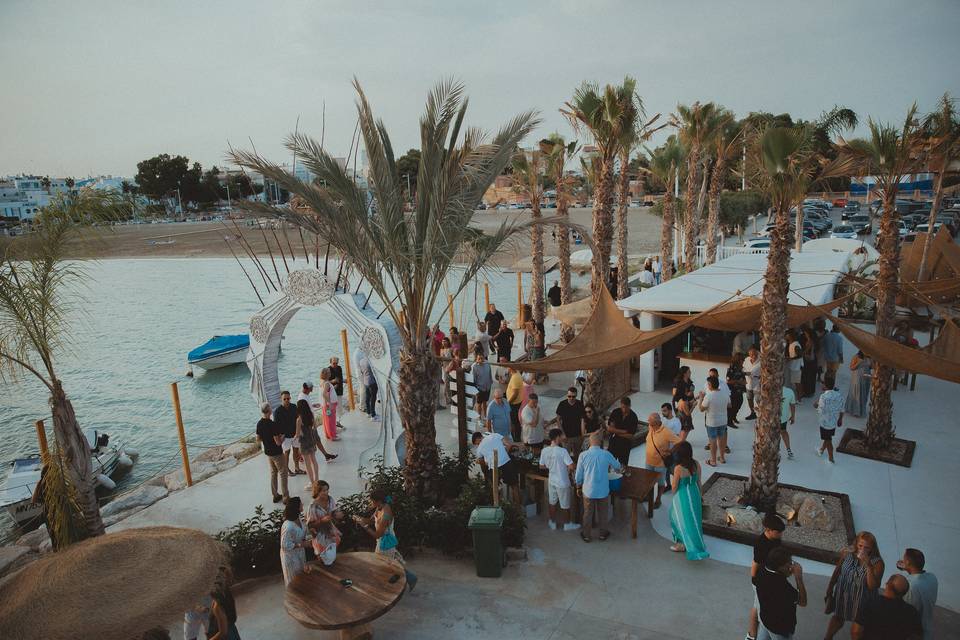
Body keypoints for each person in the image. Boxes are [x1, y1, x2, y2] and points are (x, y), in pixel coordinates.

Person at [824, 531, 886, 639]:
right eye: (860, 545)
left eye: (866, 547)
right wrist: (830, 587)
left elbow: (873, 586)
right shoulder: (847, 554)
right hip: (844, 592)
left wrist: (868, 566)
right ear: (856, 543)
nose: (862, 549)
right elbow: (837, 571)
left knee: (857, 631)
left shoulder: (877, 563)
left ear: (872, 548)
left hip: (863, 599)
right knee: (838, 617)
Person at [354, 489, 418, 592]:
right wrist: (360, 519)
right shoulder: (379, 507)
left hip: (385, 543)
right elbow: (371, 521)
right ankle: (410, 578)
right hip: (383, 541)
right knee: (390, 564)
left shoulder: (385, 514)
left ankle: (385, 588)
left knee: (382, 566)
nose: (370, 503)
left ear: (378, 501)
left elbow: (377, 535)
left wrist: (364, 526)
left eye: (371, 501)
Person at [575, 431, 623, 543]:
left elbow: (578, 475)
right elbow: (617, 466)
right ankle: (603, 534)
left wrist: (578, 486)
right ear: (600, 442)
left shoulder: (583, 455)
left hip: (588, 490)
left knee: (587, 513)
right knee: (603, 513)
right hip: (603, 490)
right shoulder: (606, 454)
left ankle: (586, 535)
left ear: (589, 443)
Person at [747, 513, 786, 640]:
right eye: (778, 532)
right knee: (757, 607)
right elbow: (755, 563)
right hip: (761, 580)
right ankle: (751, 635)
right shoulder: (760, 544)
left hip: (772, 578)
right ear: (768, 530)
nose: (780, 534)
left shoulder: (776, 540)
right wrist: (754, 581)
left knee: (763, 607)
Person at [668, 441, 709, 560]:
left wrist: (674, 495)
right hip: (694, 493)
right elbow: (699, 482)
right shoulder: (696, 464)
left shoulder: (678, 468)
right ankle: (696, 543)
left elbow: (674, 487)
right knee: (694, 521)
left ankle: (681, 544)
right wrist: (700, 496)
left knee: (677, 518)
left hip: (683, 496)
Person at [755, 547, 807, 640]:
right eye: (789, 563)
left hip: (765, 620)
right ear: (780, 566)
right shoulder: (782, 587)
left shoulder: (762, 570)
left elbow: (780, 575)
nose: (791, 565)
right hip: (780, 628)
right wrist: (798, 577)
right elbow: (803, 602)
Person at [851, 574, 922, 640]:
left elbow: (856, 632)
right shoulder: (911, 611)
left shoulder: (870, 603)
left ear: (887, 585)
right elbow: (917, 637)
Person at [539, 428, 578, 531]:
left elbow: (541, 466)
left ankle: (552, 522)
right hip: (562, 481)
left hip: (551, 480)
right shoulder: (562, 451)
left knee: (552, 502)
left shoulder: (545, 450)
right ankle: (567, 524)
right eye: (561, 436)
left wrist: (551, 466)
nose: (562, 438)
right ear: (557, 437)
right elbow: (571, 466)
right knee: (565, 505)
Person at [472, 430, 521, 505]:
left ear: (478, 439)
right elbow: (508, 445)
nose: (478, 445)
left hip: (494, 467)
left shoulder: (479, 449)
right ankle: (518, 509)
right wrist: (505, 454)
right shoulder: (495, 435)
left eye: (477, 443)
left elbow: (482, 461)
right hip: (506, 462)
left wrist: (481, 462)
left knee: (494, 489)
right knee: (514, 485)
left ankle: (498, 507)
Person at [897, 548, 937, 640]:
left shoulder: (910, 585)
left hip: (915, 634)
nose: (902, 561)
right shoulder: (932, 577)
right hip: (928, 629)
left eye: (904, 560)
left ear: (907, 563)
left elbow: (907, 613)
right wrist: (908, 569)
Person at [645, 412, 680, 507]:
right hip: (649, 462)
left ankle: (658, 499)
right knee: (648, 480)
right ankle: (648, 496)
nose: (648, 422)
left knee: (660, 482)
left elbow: (680, 442)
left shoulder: (666, 432)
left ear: (656, 423)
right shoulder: (650, 427)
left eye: (650, 421)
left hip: (660, 464)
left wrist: (671, 451)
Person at [255, 402, 287, 504]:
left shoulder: (259, 424)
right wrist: (283, 437)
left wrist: (266, 440)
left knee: (273, 473)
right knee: (283, 473)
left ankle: (275, 495)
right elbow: (278, 443)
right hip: (277, 453)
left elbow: (258, 439)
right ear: (269, 411)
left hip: (268, 453)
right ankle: (286, 497)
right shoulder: (272, 425)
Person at [306, 480, 343, 566]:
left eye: (327, 490)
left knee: (332, 556)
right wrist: (322, 520)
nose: (326, 492)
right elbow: (310, 525)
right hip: (320, 535)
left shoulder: (330, 499)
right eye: (324, 491)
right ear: (317, 491)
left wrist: (337, 514)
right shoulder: (312, 506)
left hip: (331, 531)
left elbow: (334, 512)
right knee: (323, 559)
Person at [699, 376, 731, 467]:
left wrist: (701, 398)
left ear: (710, 385)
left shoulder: (709, 396)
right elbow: (729, 405)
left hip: (712, 422)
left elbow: (701, 409)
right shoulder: (725, 393)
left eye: (708, 384)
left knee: (712, 440)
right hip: (723, 421)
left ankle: (713, 461)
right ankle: (722, 458)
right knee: (721, 439)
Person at [273, 390, 303, 476]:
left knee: (296, 451)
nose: (287, 400)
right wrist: (279, 437)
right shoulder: (277, 411)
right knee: (287, 453)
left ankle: (297, 468)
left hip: (295, 434)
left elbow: (299, 419)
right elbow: (275, 426)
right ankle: (286, 470)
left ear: (290, 398)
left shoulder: (294, 407)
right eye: (284, 399)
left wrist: (299, 431)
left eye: (288, 398)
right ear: (281, 399)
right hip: (285, 436)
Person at [815, 374, 843, 463]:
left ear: (825, 386)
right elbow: (842, 409)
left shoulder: (823, 397)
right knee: (828, 436)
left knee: (828, 439)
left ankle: (831, 458)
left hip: (824, 422)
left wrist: (816, 405)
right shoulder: (839, 395)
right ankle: (822, 449)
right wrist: (840, 419)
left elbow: (820, 411)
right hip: (834, 422)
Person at [280, 497, 308, 586]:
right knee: (293, 581)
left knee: (302, 577)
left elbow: (303, 533)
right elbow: (284, 545)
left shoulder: (299, 518)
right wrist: (302, 544)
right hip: (290, 557)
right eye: (300, 504)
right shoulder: (288, 526)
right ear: (296, 508)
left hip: (300, 553)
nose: (302, 504)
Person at [606, 396, 639, 467]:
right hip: (613, 444)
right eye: (622, 407)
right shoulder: (616, 412)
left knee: (623, 466)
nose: (624, 410)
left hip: (625, 446)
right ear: (620, 405)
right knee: (609, 464)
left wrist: (616, 432)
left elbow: (631, 436)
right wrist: (624, 431)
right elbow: (610, 428)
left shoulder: (633, 417)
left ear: (629, 406)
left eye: (626, 407)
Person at [465, 351, 493, 420]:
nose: (481, 360)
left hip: (487, 387)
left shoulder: (487, 364)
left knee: (485, 402)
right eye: (479, 359)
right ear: (476, 359)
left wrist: (490, 382)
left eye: (482, 358)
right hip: (479, 388)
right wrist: (476, 389)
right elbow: (473, 379)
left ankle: (486, 416)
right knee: (479, 404)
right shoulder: (474, 367)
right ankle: (479, 418)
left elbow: (490, 374)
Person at [846, 350, 872, 418]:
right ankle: (855, 411)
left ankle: (861, 411)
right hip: (857, 378)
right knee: (857, 393)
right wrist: (859, 362)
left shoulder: (870, 358)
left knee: (864, 394)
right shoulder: (856, 357)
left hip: (866, 378)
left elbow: (872, 367)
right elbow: (851, 367)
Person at [503, 366, 524, 442]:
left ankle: (516, 437)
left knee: (514, 421)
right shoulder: (516, 374)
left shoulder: (515, 377)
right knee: (514, 420)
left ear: (510, 369)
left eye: (508, 368)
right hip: (515, 402)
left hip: (514, 403)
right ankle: (515, 436)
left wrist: (509, 402)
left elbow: (515, 393)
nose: (507, 369)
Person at [727, 352, 747, 427]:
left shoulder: (740, 368)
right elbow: (728, 381)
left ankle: (733, 417)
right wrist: (739, 381)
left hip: (739, 390)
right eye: (742, 360)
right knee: (733, 406)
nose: (744, 361)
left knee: (739, 403)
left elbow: (741, 376)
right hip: (733, 391)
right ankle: (729, 421)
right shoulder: (731, 368)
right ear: (738, 360)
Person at [779, 384, 797, 460]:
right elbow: (792, 405)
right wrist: (793, 416)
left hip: (772, 418)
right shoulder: (790, 391)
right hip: (783, 418)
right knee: (784, 432)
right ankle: (789, 451)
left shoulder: (771, 390)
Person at [744, 346, 762, 420]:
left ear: (757, 353)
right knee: (749, 398)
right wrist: (748, 373)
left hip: (757, 382)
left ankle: (762, 414)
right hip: (748, 383)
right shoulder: (747, 360)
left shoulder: (761, 361)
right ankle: (752, 413)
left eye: (755, 354)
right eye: (751, 354)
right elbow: (743, 369)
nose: (753, 356)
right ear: (749, 354)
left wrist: (749, 373)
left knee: (758, 400)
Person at [786, 330, 803, 403]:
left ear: (790, 336)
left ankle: (800, 399)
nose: (785, 336)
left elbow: (800, 355)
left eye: (786, 335)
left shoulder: (795, 345)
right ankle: (799, 396)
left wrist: (790, 358)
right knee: (796, 383)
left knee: (797, 383)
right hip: (793, 367)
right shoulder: (791, 344)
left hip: (796, 367)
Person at [800, 326, 818, 398]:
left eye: (806, 333)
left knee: (807, 377)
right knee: (811, 377)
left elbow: (806, 351)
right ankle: (810, 391)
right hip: (812, 361)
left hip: (809, 362)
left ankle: (807, 392)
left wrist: (801, 353)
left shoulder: (810, 341)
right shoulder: (812, 341)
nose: (805, 334)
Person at [328, 357, 345, 426]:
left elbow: (340, 378)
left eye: (336, 363)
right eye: (333, 363)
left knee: (340, 408)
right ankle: (332, 422)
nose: (335, 365)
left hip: (339, 390)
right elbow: (325, 382)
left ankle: (338, 421)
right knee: (332, 409)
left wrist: (343, 381)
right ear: (330, 362)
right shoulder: (328, 370)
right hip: (332, 392)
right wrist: (333, 381)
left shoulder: (339, 368)